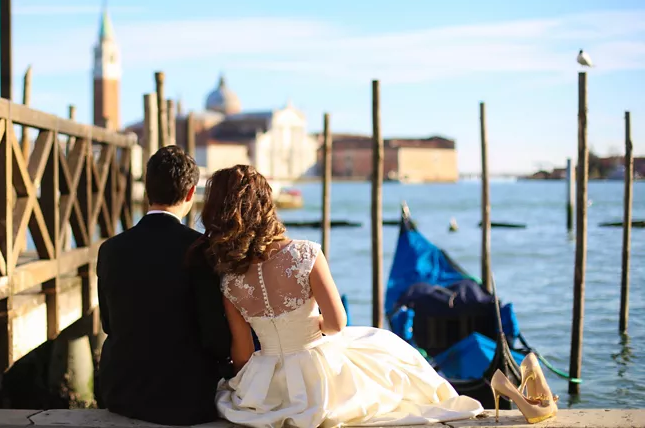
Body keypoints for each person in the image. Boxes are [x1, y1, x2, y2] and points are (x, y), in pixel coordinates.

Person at [192, 165, 485, 427]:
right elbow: (336, 323)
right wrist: (311, 326)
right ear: (267, 207)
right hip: (318, 376)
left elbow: (241, 353)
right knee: (388, 352)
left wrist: (251, 382)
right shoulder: (305, 253)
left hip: (267, 380)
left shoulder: (229, 279)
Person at [96, 146, 232, 425]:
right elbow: (214, 335)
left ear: (147, 190)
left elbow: (109, 324)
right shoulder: (202, 250)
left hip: (121, 393)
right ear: (191, 193)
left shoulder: (110, 249)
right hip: (186, 398)